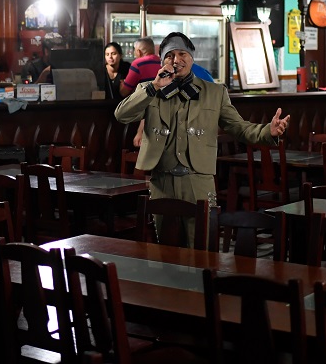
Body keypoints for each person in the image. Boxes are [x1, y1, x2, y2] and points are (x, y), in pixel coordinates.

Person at [115, 32, 289, 245]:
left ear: (191, 58)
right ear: (162, 61)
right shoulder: (149, 89)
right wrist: (154, 86)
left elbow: (238, 128)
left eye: (182, 54)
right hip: (162, 182)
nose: (176, 60)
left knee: (200, 250)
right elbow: (121, 115)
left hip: (198, 181)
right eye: (169, 55)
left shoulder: (215, 92)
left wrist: (267, 132)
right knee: (166, 252)